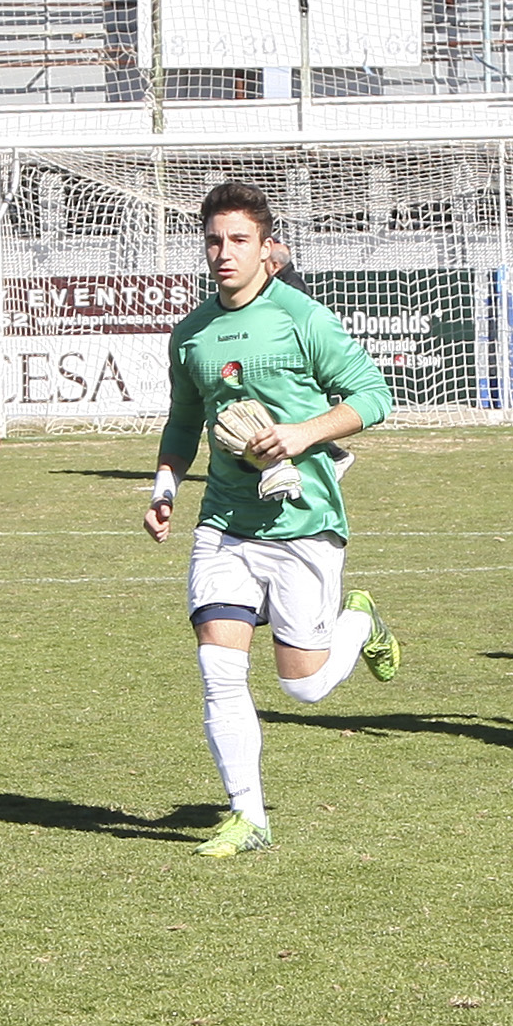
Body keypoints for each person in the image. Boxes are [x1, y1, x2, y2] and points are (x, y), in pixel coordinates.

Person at [145, 182, 400, 860]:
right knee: (218, 668)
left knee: (305, 685)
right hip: (224, 522)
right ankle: (247, 816)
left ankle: (361, 621)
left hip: (302, 518)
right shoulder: (191, 333)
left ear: (266, 248)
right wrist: (165, 484)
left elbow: (374, 396)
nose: (223, 253)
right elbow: (182, 420)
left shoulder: (302, 318)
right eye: (214, 240)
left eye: (238, 241)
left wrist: (300, 434)